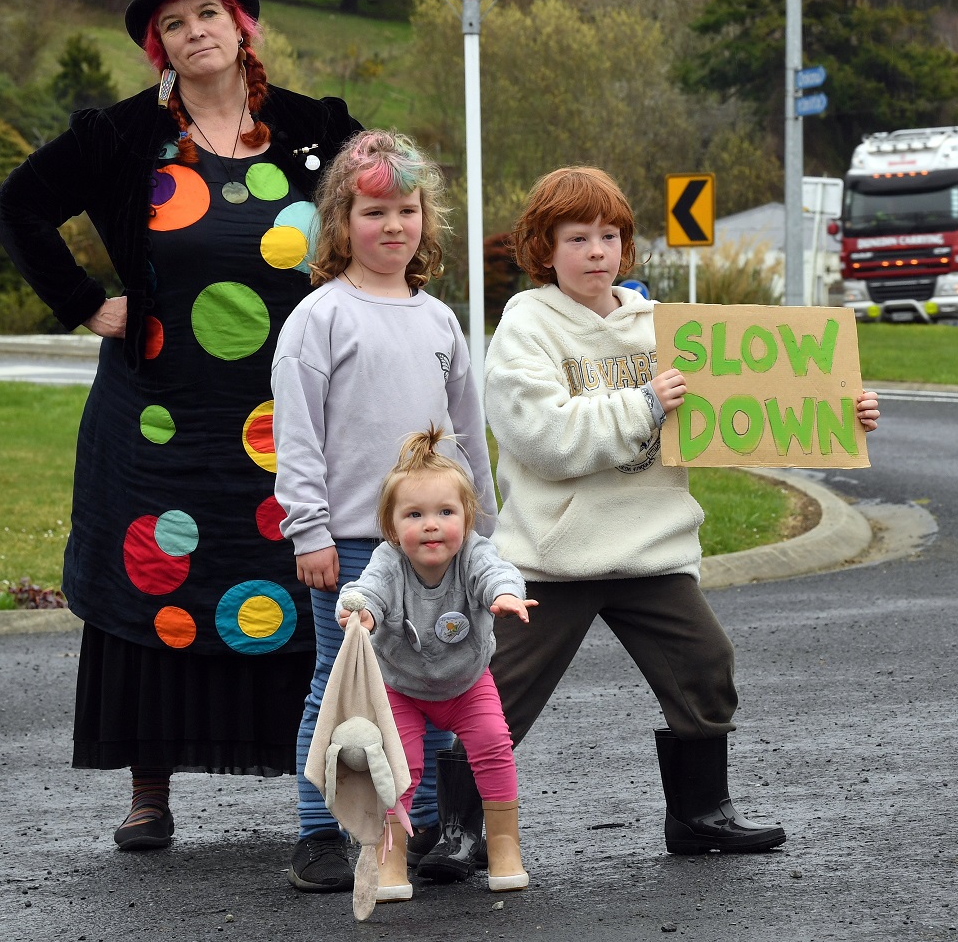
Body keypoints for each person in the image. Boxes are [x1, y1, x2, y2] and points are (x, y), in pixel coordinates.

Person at [0, 0, 361, 854]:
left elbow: (387, 210)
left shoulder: (320, 129)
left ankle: (324, 795)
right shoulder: (120, 136)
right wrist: (84, 304)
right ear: (157, 46)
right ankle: (148, 792)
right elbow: (18, 208)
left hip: (291, 413)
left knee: (300, 575)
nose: (195, 32)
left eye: (209, 14)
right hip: (160, 417)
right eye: (172, 22)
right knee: (157, 575)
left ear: (243, 26)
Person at [419, 166, 880, 875]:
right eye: (578, 238)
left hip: (652, 551)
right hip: (554, 556)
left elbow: (744, 409)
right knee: (496, 690)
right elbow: (543, 436)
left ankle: (700, 815)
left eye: (610, 236)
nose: (597, 251)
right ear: (544, 248)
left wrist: (834, 411)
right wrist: (644, 405)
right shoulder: (525, 329)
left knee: (706, 665)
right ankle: (463, 829)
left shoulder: (662, 328)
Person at [270, 130, 497, 893]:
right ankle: (315, 831)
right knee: (336, 686)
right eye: (374, 211)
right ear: (340, 222)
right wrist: (309, 528)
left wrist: (482, 528)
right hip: (352, 545)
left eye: (407, 209)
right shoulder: (319, 317)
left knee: (427, 684)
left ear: (424, 221)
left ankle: (419, 823)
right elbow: (295, 432)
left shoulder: (440, 321)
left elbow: (465, 433)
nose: (393, 225)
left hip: (435, 543)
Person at [335, 427, 536, 899]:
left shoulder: (474, 554)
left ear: (467, 518)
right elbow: (368, 590)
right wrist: (360, 611)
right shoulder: (389, 561)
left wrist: (506, 596)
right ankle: (389, 859)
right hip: (400, 687)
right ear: (391, 527)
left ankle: (505, 847)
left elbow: (497, 572)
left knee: (492, 744)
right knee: (397, 767)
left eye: (445, 512)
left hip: (467, 683)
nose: (431, 524)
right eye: (415, 514)